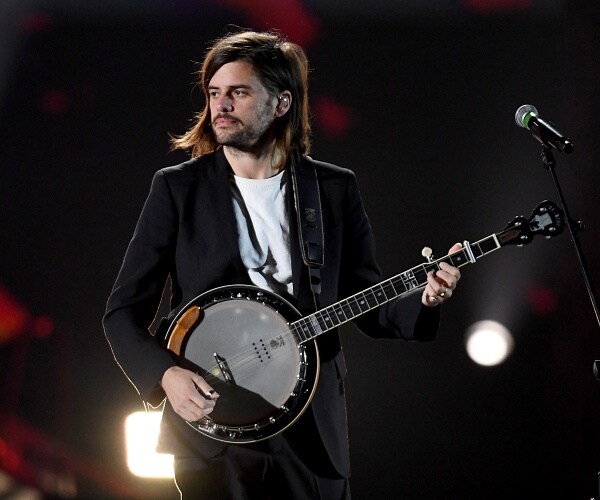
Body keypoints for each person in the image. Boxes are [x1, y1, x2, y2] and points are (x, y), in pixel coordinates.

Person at [103, 29, 462, 499]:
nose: (221, 106)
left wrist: (427, 298)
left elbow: (371, 306)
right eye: (214, 93)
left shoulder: (332, 190)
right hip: (214, 426)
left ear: (281, 103)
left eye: (238, 92)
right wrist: (166, 376)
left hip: (310, 428)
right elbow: (122, 314)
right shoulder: (178, 188)